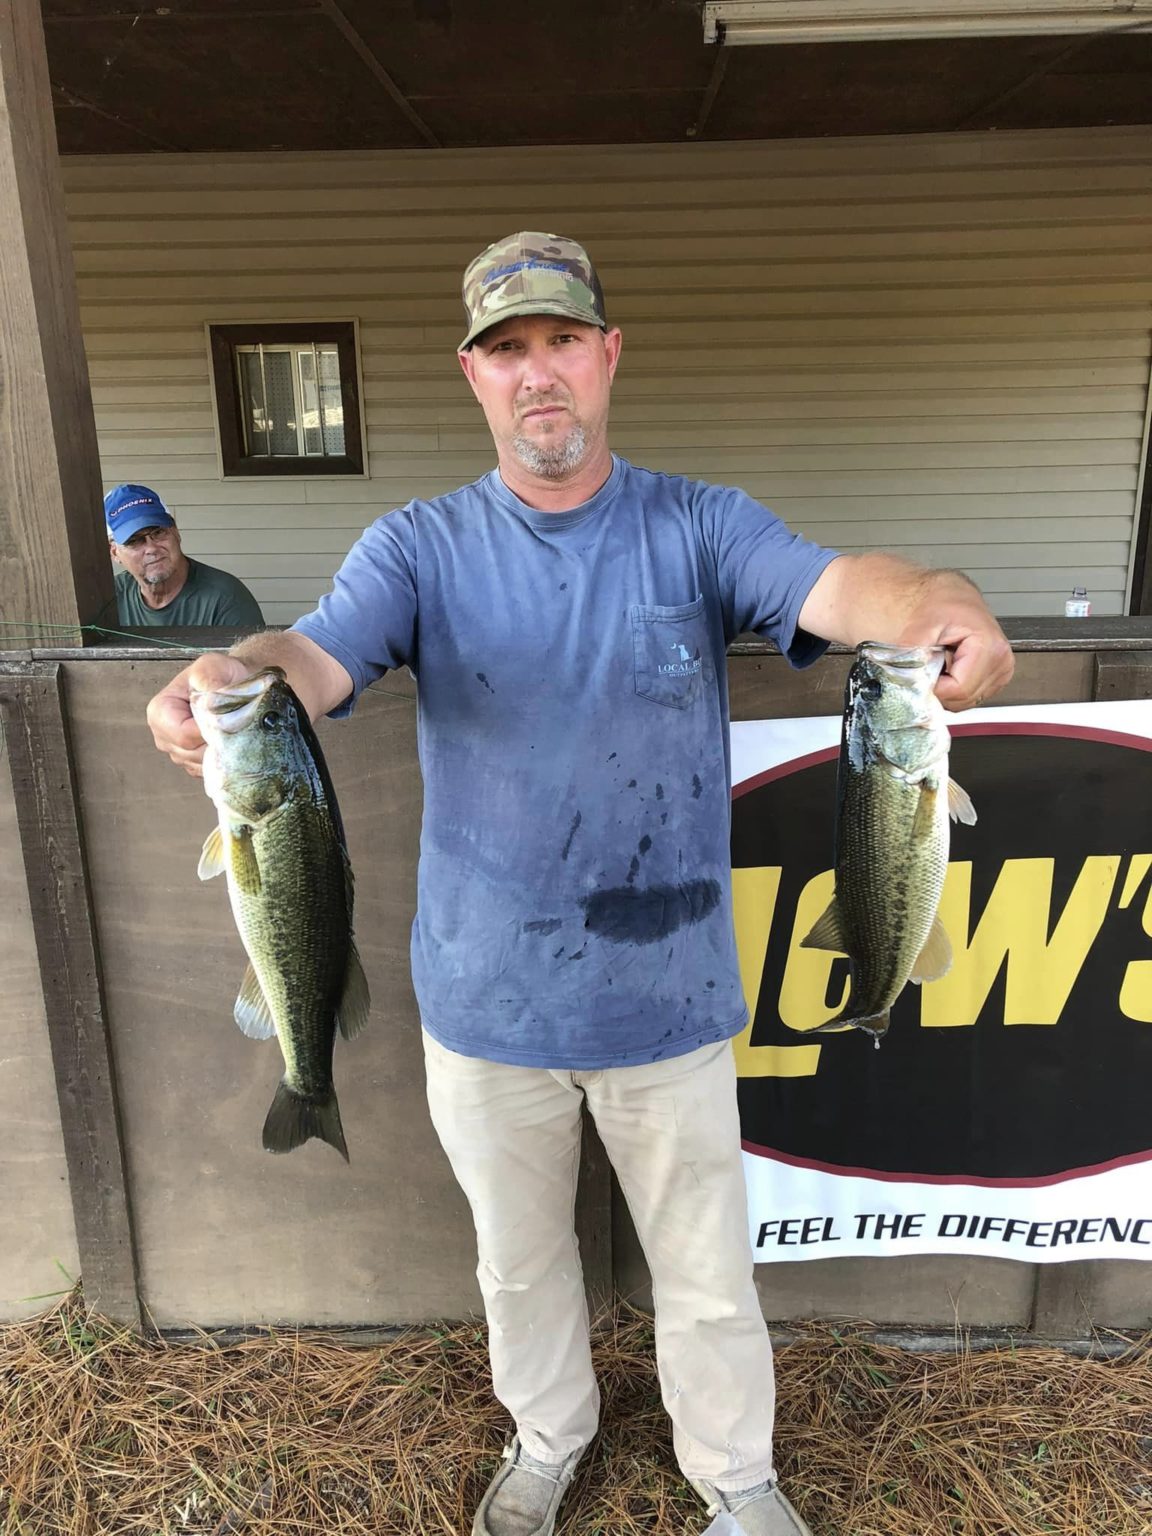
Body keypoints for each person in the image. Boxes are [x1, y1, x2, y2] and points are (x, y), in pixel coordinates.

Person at [146, 232, 1015, 1536]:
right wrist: (226, 681)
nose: (537, 374)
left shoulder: (703, 524)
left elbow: (853, 591)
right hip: (483, 1004)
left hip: (671, 1002)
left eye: (561, 342)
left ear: (608, 357)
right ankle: (549, 1439)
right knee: (517, 1265)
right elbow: (311, 659)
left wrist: (942, 597)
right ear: (473, 377)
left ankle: (737, 1478)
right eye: (508, 351)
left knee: (709, 1274)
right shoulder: (419, 547)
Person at [101, 483, 264, 629]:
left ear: (176, 532)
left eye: (158, 533)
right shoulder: (109, 599)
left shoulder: (225, 596)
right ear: (114, 552)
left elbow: (250, 662)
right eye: (134, 541)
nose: (151, 548)